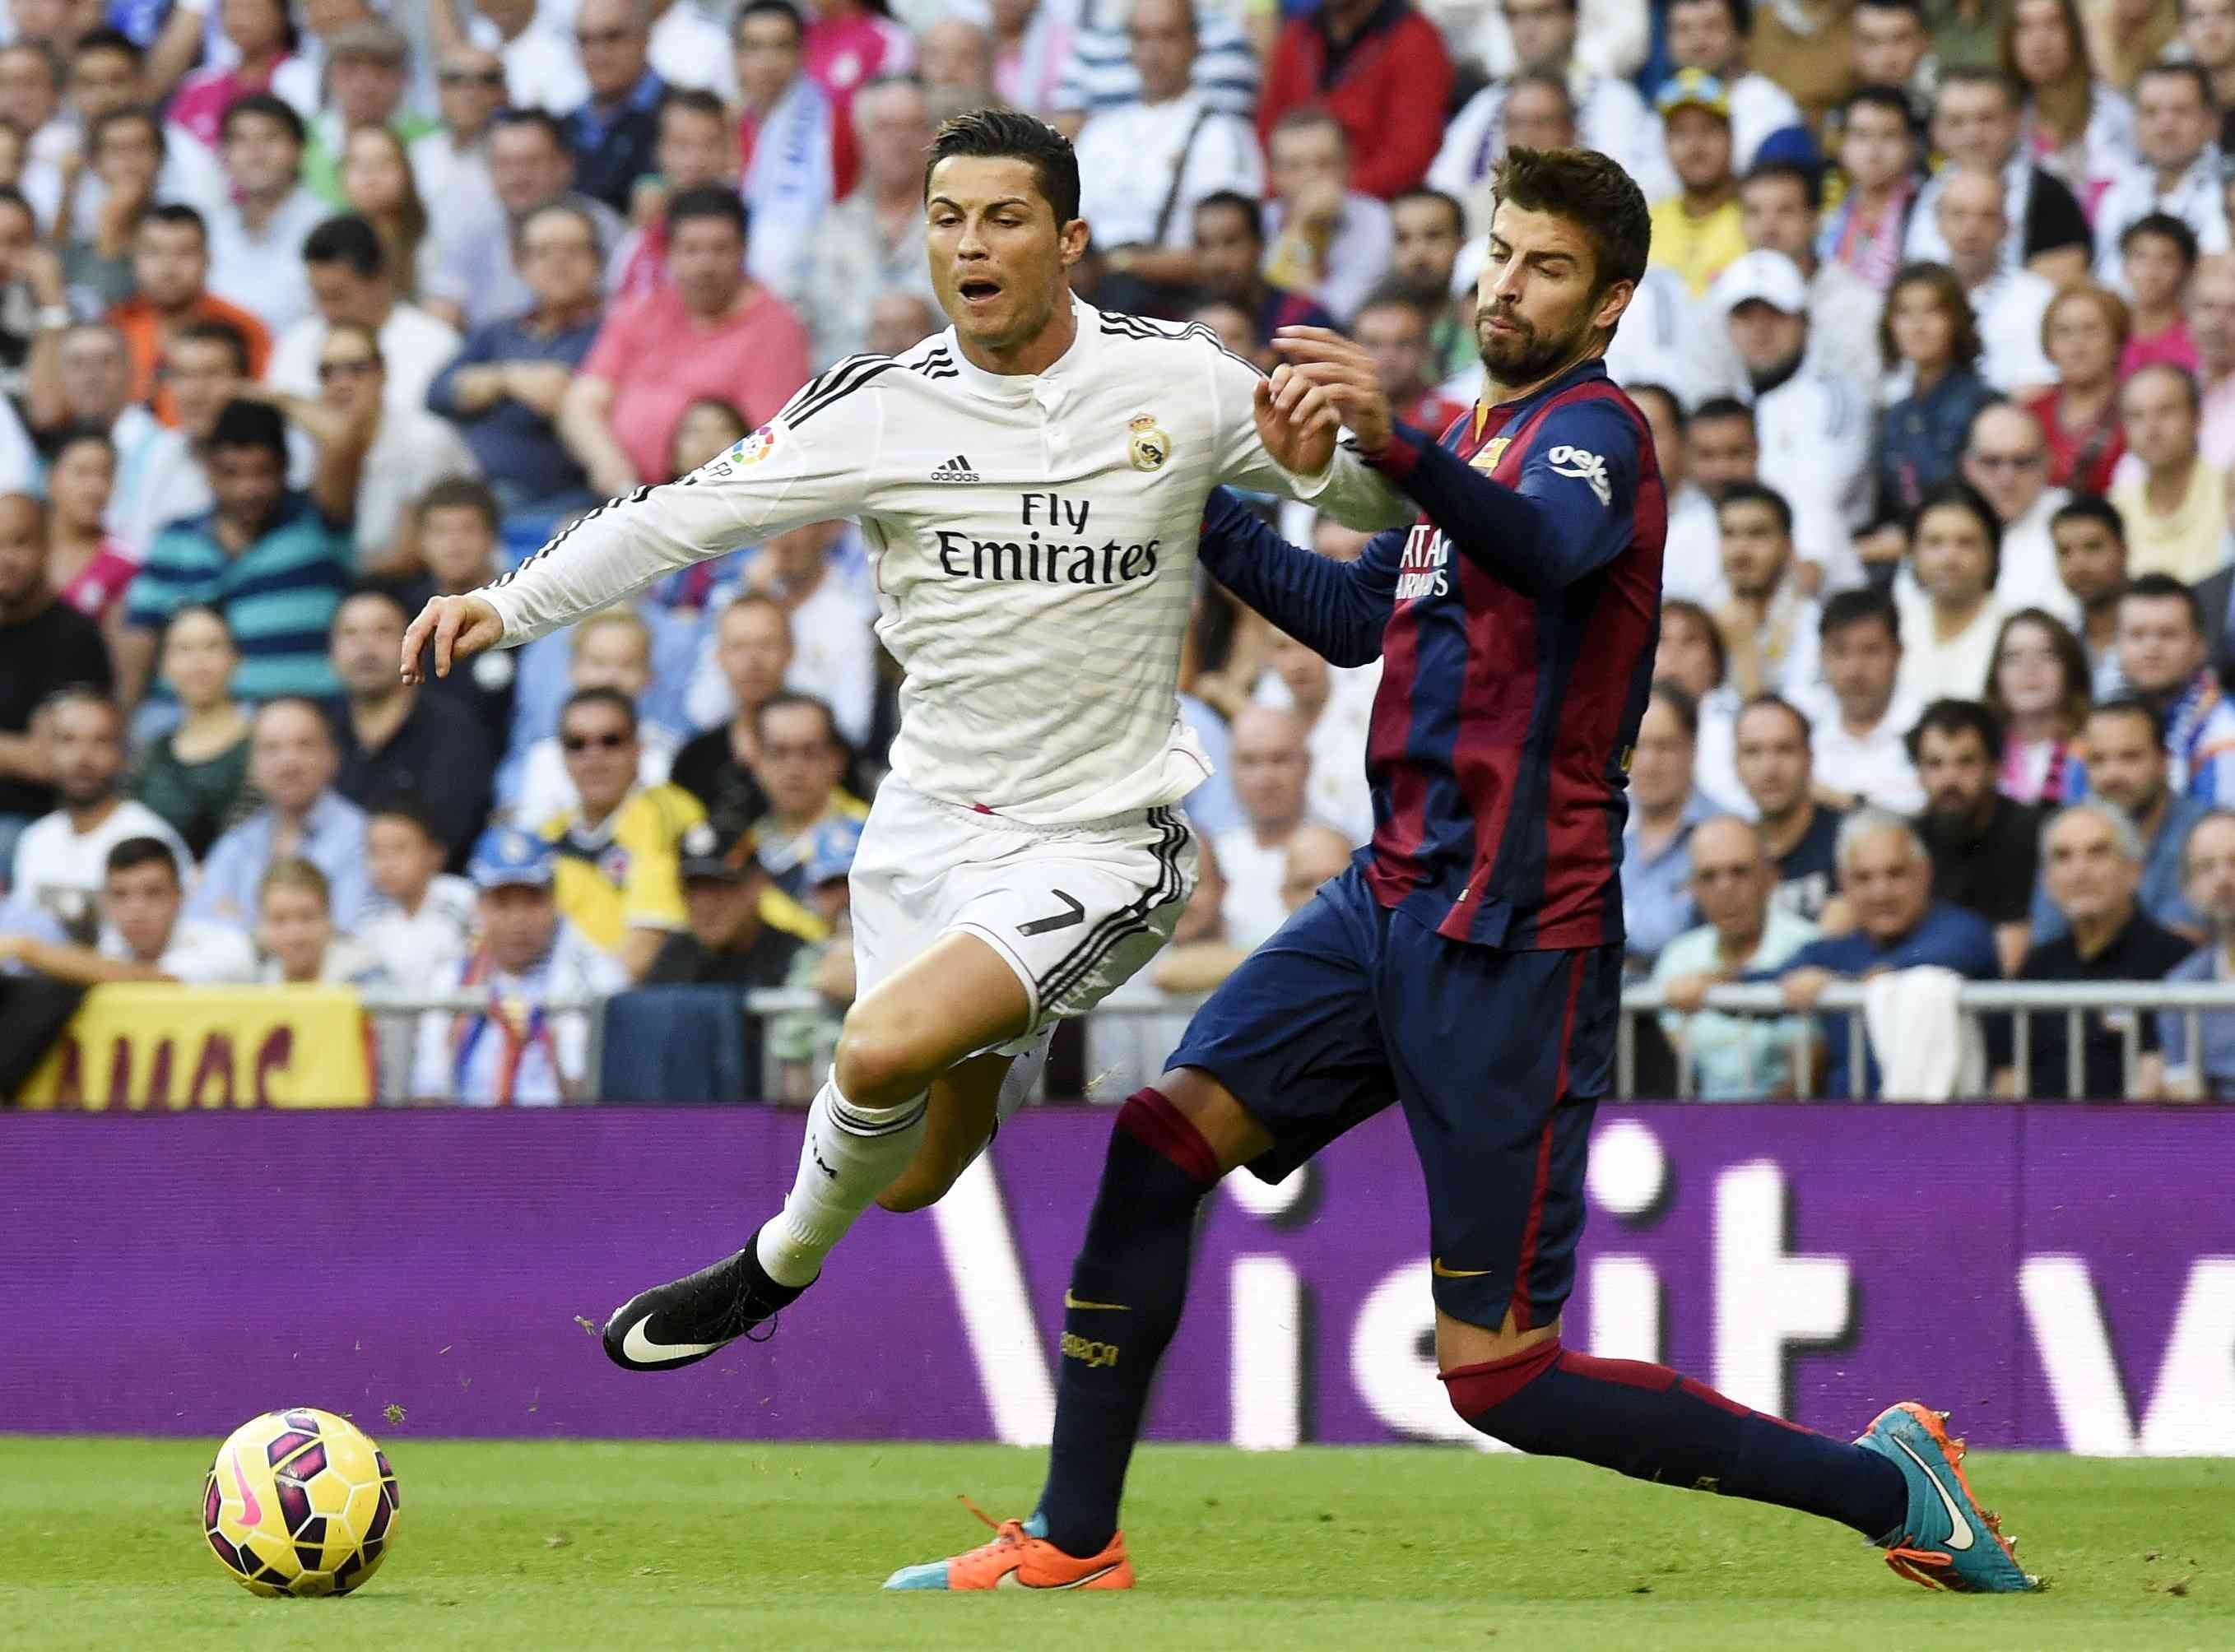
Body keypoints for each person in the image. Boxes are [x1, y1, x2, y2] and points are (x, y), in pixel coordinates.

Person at [889, 144, 2034, 1600]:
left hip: (1514, 932)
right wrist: (1181, 495)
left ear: (1609, 300)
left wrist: (1401, 441)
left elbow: (1553, 553)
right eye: (1500, 250)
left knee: (1499, 1379)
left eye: (1544, 265)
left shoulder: (1591, 433)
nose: (1505, 281)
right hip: (1385, 900)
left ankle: (1888, 1481)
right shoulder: (1474, 442)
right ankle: (1072, 1537)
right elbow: (1354, 617)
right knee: (1154, 1146)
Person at [402, 109, 1410, 1367]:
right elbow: (677, 519)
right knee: (915, 1178)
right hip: (926, 828)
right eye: (947, 219)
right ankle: (994, 1043)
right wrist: (505, 604)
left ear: (1070, 238)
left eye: (1002, 217)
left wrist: (1359, 454)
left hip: (1101, 839)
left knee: (873, 1048)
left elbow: (1367, 502)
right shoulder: (879, 409)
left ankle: (767, 1271)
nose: (970, 245)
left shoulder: (1179, 380)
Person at [561, 186, 810, 499]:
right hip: (622, 498)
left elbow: (768, 447)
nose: (705, 265)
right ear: (669, 253)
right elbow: (581, 403)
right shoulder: (642, 309)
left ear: (744, 251)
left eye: (720, 249)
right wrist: (614, 473)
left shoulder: (777, 327)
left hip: (720, 507)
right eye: (691, 250)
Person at [115, 397, 358, 708]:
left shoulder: (320, 522)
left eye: (262, 472)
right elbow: (140, 639)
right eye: (232, 473)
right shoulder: (174, 540)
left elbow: (342, 438)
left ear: (285, 468)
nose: (248, 489)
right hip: (190, 723)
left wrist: (260, 395)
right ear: (208, 471)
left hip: (305, 724)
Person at [1772, 810, 2002, 1096]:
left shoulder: (1960, 930)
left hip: (1947, 1128)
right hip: (1844, 1128)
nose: (1881, 892)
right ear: (1844, 885)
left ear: (1924, 873)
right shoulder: (1834, 952)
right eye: (1863, 878)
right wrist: (1712, 981)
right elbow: (1761, 983)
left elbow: (1949, 953)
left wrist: (1843, 983)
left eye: (1896, 874)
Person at [408, 824, 628, 1106]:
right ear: (479, 907)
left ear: (554, 901)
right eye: (502, 904)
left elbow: (590, 1100)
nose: (518, 921)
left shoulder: (595, 976)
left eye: (532, 902)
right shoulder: (451, 979)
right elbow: (428, 1094)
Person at [1071, 0, 1262, 313]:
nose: (1154, 52)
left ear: (1195, 44)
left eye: (1167, 36)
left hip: (1181, 306)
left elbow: (1223, 257)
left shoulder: (1221, 134)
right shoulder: (1099, 133)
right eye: (1142, 38)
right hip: (1094, 300)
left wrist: (1121, 263)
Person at [1992, 798, 2187, 1095]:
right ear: (2047, 880)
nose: (2079, 872)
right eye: (2063, 857)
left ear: (2133, 870)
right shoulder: (2036, 967)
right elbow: (2007, 1079)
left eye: (2097, 853)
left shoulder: (2177, 963)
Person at [424, 200, 603, 520]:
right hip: (475, 493)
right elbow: (437, 392)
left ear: (597, 260)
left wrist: (485, 386)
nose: (558, 262)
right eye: (544, 252)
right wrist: (508, 379)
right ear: (520, 263)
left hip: (563, 501)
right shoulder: (500, 331)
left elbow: (553, 395)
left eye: (573, 250)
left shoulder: (610, 333)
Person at [1709, 248, 1872, 590]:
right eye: (1745, 317)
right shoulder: (1723, 397)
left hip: (1822, 579)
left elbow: (1817, 502)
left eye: (1774, 315)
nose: (1760, 330)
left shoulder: (1834, 398)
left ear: (1803, 320)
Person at [258, 321, 472, 576]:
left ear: (383, 373)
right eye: (328, 372)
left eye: (357, 368)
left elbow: (409, 555)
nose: (341, 383)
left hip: (425, 585)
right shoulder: (318, 443)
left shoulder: (425, 439)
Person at [537, 685, 709, 980]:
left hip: (638, 1001)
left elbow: (647, 943)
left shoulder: (664, 811)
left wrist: (579, 1011)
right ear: (562, 755)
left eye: (611, 741)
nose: (594, 757)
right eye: (577, 744)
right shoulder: (549, 834)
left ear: (638, 747)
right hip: (565, 999)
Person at [1651, 814, 1820, 1098]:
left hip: (1790, 1127)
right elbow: (1665, 1070)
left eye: (1739, 872)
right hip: (1695, 1126)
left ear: (1770, 877)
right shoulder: (1677, 958)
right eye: (1708, 876)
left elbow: (1814, 1069)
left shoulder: (1810, 946)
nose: (1725, 889)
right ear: (1692, 886)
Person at [9, 689, 190, 941]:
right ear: (47, 752)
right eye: (68, 740)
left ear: (123, 754)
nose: (83, 757)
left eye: (100, 741)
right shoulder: (36, 839)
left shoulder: (149, 837)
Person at [328, 589, 493, 863]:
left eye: (383, 632)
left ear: (416, 642)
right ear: (331, 651)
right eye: (350, 634)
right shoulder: (321, 733)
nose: (366, 648)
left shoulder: (453, 731)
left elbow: (452, 837)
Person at [192, 696, 374, 931]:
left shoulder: (362, 837)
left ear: (332, 757)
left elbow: (346, 931)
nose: (288, 762)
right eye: (271, 748)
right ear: (252, 766)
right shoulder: (239, 842)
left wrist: (244, 926)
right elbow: (199, 928)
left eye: (304, 745)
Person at [2034, 697, 2209, 940]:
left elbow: (2183, 947)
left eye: (2130, 757)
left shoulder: (2204, 832)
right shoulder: (2067, 832)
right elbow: (2046, 940)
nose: (2112, 774)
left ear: (2164, 761)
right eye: (2098, 760)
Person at [1903, 66, 2093, 287]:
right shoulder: (1920, 189)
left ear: (2015, 121)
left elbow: (2057, 289)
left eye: (1986, 119)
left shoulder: (2050, 195)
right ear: (1936, 129)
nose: (1972, 135)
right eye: (1956, 121)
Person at [0, 492, 111, 867]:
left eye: (20, 542)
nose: (7, 558)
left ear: (46, 546)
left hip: (34, 823)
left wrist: (26, 755)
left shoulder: (73, 635)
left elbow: (50, 760)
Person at [800, 77, 942, 368]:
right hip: (848, 396)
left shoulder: (961, 227)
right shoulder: (828, 230)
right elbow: (812, 327)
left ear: (932, 137)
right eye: (886, 128)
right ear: (861, 136)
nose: (900, 140)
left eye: (913, 126)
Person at [265, 212, 462, 416]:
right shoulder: (294, 344)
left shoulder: (437, 348)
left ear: (380, 280)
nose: (328, 310)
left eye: (337, 296)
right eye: (318, 296)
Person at [1254, 0, 1450, 201]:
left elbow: (1410, 156)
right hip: (1289, 205)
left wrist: (1334, 196)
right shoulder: (1298, 35)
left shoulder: (1415, 39)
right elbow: (1267, 132)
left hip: (1378, 210)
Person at [0, 834, 254, 986]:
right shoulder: (110, 946)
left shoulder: (225, 946)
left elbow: (161, 984)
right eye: (120, 895)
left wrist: (28, 950)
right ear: (105, 902)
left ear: (181, 898)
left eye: (153, 893)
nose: (136, 909)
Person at [1908, 696, 2042, 972]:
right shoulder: (1909, 841)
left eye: (1966, 762)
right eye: (1935, 764)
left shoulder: (2029, 833)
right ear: (1918, 773)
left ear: (1995, 768)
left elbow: (2012, 956)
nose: (1950, 779)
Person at [105, 202, 271, 422]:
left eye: (184, 253)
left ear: (208, 260)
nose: (168, 267)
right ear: (134, 260)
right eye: (154, 252)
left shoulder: (244, 329)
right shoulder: (115, 326)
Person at [1872, 262, 1996, 546]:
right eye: (1904, 313)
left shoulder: (1983, 405)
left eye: (1932, 311)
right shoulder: (1895, 415)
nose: (1918, 326)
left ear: (1956, 320)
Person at [729, 0, 837, 307]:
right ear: (736, 57)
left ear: (803, 54)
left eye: (781, 46)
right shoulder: (725, 129)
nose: (767, 62)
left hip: (818, 283)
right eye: (754, 47)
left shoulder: (832, 124)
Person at [128, 604, 252, 857]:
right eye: (184, 649)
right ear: (163, 666)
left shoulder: (262, 747)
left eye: (212, 646)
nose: (199, 662)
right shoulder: (148, 754)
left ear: (236, 659)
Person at [2089, 63, 2228, 283]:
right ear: (2134, 123)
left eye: (2180, 111)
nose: (2165, 126)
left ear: (2211, 123)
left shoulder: (2227, 193)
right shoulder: (2117, 196)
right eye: (2150, 112)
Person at [202, 95, 328, 337]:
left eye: (270, 138)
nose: (255, 153)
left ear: (300, 150)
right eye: (241, 140)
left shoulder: (327, 227)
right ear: (224, 155)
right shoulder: (210, 229)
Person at [1926, 169, 2057, 396]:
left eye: (1987, 215)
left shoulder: (2040, 299)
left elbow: (2041, 388)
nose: (1971, 229)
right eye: (1958, 214)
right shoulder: (1917, 297)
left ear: (2007, 227)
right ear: (1938, 224)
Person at [1260, 109, 1395, 327]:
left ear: (1347, 166)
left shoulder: (1376, 220)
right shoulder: (1257, 222)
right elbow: (1270, 311)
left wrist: (1305, 227)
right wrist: (1301, 228)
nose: (1311, 176)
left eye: (1324, 163)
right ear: (1274, 175)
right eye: (1294, 166)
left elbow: (1335, 315)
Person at [669, 592, 787, 840]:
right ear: (719, 656)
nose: (754, 660)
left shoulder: (829, 751)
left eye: (766, 644)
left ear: (790, 650)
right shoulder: (692, 762)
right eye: (739, 647)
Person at [1801, 587, 1926, 812]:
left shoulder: (1929, 727)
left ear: (1898, 653)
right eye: (1840, 652)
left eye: (1871, 651)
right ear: (1822, 656)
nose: (1854, 670)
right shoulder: (1801, 729)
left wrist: (1843, 802)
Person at [2112, 572, 2235, 802]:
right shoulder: (2095, 729)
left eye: (2168, 634)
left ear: (2200, 646)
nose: (2151, 648)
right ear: (2117, 645)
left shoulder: (2226, 729)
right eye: (2137, 635)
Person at [1209, 704, 1316, 954]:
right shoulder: (1211, 859)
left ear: (1307, 764)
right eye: (1249, 761)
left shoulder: (1336, 855)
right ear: (1230, 769)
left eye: (1279, 759)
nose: (1265, 779)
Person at [1619, 684, 1712, 974]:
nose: (1649, 763)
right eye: (1638, 747)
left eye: (1664, 746)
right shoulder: (1600, 832)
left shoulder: (1723, 833)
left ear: (1692, 748)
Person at [2005, 0, 2134, 204]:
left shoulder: (2114, 112)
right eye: (2025, 27)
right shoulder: (2000, 119)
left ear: (2074, 33)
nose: (2040, 41)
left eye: (2053, 24)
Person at [2108, 363, 2228, 584]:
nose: (2151, 429)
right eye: (2136, 416)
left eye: (2166, 411)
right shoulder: (2116, 507)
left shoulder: (2229, 493)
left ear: (2198, 417)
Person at [1734, 694, 1847, 923]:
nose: (1769, 769)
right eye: (1753, 752)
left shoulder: (1850, 840)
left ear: (1809, 758)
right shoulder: (1730, 852)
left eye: (1784, 749)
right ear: (1735, 764)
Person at [1896, 480, 2010, 703]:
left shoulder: (2012, 632)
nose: (1949, 558)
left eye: (1966, 543)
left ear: (1993, 553)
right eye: (1934, 543)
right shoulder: (1893, 628)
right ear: (1912, 553)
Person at [1188, 188, 1340, 357]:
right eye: (1203, 244)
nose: (1216, 260)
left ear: (1259, 245)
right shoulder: (1175, 322)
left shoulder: (1306, 322)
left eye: (1231, 242)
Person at [747, 690, 865, 905]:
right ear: (757, 762)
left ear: (836, 760)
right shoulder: (746, 841)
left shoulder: (868, 834)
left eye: (810, 752)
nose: (795, 769)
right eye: (778, 752)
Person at [1962, 400, 2074, 620]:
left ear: (2047, 463)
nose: (2007, 479)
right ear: (1968, 466)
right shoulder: (1945, 519)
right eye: (1992, 462)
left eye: (2022, 462)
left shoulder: (2073, 522)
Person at [1664, 0, 1809, 169]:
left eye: (1711, 27)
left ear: (1742, 39)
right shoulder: (1657, 109)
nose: (1697, 41)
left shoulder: (1771, 108)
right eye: (1683, 29)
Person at [1713, 482, 1819, 700]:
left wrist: (1744, 652)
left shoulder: (1813, 623)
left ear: (1787, 546)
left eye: (1757, 534)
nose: (1740, 551)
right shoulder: (1700, 618)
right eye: (1729, 534)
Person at [1647, 69, 1747, 301]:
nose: (1695, 146)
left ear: (1731, 136)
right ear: (1664, 143)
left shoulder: (1756, 218)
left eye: (1708, 130)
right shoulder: (1645, 223)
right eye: (1680, 133)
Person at [2158, 806, 2235, 1096]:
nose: (2223, 879)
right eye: (2206, 867)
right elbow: (2186, 1099)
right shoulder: (2183, 985)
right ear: (2188, 888)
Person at [562, 0, 665, 216]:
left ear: (645, 36)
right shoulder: (565, 126)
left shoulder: (683, 116)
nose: (598, 52)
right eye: (585, 40)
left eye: (613, 37)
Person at [356, 799, 475, 983]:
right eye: (376, 852)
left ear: (434, 854)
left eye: (400, 849)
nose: (387, 864)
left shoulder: (463, 900)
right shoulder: (368, 915)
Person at [2025, 283, 2129, 493]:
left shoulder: (2137, 409)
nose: (2077, 346)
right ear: (2048, 346)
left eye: (2091, 330)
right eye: (2064, 332)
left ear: (2116, 340)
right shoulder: (2031, 414)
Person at [1819, 86, 1923, 293]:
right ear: (1842, 145)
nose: (1873, 151)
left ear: (1911, 145)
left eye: (1888, 136)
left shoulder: (1925, 210)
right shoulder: (1828, 217)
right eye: (1861, 135)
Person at [1626, 383, 1721, 606]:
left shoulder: (1715, 525)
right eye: (1623, 431)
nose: (1633, 445)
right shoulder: (1587, 520)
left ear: (1684, 441)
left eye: (1648, 431)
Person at [1987, 607, 2090, 805]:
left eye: (2046, 655)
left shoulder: (2094, 749)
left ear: (2070, 669)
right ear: (1996, 674)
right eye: (2013, 657)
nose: (2029, 669)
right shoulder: (1981, 753)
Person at [253, 856, 384, 986]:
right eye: (279, 920)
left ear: (329, 919)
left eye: (307, 917)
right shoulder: (259, 982)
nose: (294, 935)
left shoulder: (364, 974)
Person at [2051, 491, 2131, 695]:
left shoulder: (2159, 629)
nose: (2078, 565)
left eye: (2093, 547)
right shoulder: (2060, 643)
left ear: (2123, 550)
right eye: (2064, 552)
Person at [2117, 214, 2201, 377]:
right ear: (2124, 266)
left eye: (2166, 259)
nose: (2151, 272)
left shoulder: (2196, 339)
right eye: (2141, 257)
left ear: (2187, 269)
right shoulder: (2107, 330)